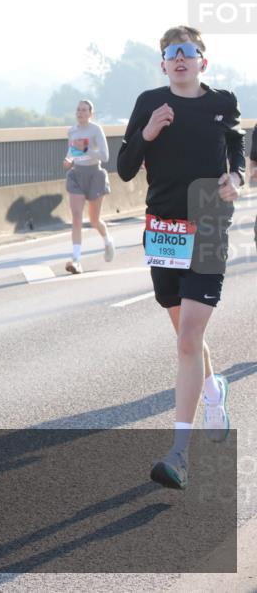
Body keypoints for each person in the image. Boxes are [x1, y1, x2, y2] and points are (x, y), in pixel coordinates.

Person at [117, 26, 245, 489]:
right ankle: (213, 390)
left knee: (189, 340)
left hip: (210, 219)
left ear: (201, 62)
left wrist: (237, 176)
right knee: (184, 333)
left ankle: (178, 453)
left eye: (188, 52)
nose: (179, 58)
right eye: (171, 53)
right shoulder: (149, 103)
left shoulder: (221, 102)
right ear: (163, 63)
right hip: (165, 227)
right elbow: (126, 166)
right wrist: (148, 132)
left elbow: (235, 143)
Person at [63, 100, 115, 274]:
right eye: (78, 109)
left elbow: (105, 156)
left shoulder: (95, 130)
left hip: (95, 174)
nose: (80, 112)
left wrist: (85, 149)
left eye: (84, 110)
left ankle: (107, 241)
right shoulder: (72, 131)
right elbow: (72, 152)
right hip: (77, 175)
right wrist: (68, 160)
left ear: (91, 113)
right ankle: (76, 260)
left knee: (94, 220)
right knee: (76, 217)